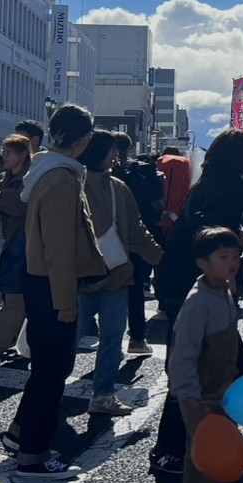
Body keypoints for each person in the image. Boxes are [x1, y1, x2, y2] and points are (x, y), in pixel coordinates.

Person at [0, 104, 103, 478]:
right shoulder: (62, 177)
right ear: (85, 138)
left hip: (38, 279)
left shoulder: (45, 169)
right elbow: (60, 247)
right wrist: (65, 300)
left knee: (45, 368)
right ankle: (33, 454)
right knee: (52, 372)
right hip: (52, 284)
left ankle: (21, 435)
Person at [152, 129, 243, 473]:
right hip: (199, 283)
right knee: (199, 365)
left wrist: (236, 232)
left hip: (182, 277)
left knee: (218, 362)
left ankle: (214, 436)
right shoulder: (231, 189)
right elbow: (211, 233)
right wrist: (228, 269)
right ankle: (174, 449)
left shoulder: (206, 183)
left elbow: (207, 228)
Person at [77, 131, 161, 415]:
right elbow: (137, 231)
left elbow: (136, 230)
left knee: (100, 339)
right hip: (101, 274)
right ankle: (95, 395)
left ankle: (99, 394)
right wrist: (161, 259)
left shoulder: (110, 185)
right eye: (112, 150)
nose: (117, 155)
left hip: (92, 277)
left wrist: (161, 259)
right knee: (102, 340)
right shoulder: (79, 183)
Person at [168, 226, 243, 483]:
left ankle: (217, 480)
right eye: (223, 257)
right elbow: (183, 352)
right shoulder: (197, 303)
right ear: (203, 263)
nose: (232, 262)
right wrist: (187, 391)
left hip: (222, 385)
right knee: (201, 446)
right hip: (199, 391)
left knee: (218, 437)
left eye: (236, 256)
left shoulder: (224, 289)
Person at [0, 135, 32, 366]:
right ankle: (13, 342)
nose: (4, 156)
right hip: (1, 241)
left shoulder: (30, 178)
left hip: (21, 243)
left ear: (23, 154)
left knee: (14, 296)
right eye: (4, 151)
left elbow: (20, 205)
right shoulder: (2, 178)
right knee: (9, 295)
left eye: (9, 152)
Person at [115, 133, 164, 356]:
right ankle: (136, 338)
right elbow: (156, 203)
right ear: (129, 148)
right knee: (134, 288)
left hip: (108, 238)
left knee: (103, 291)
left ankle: (107, 341)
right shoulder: (142, 172)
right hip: (136, 238)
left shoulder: (105, 174)